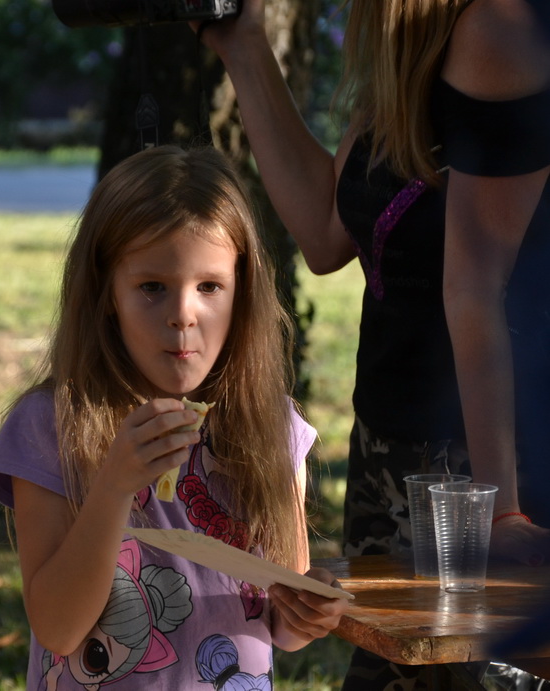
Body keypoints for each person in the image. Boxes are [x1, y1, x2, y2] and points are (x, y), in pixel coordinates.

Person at [196, 0, 550, 687]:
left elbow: (476, 287)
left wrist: (501, 509)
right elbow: (326, 230)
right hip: (395, 457)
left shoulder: (494, 28)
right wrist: (242, 45)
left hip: (486, 468)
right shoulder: (408, 37)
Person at [0, 145, 347, 690]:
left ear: (242, 292)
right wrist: (114, 485)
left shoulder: (270, 427)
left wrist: (308, 614)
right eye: (152, 287)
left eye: (209, 287)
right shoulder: (53, 425)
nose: (182, 314)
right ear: (107, 292)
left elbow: (280, 621)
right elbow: (58, 628)